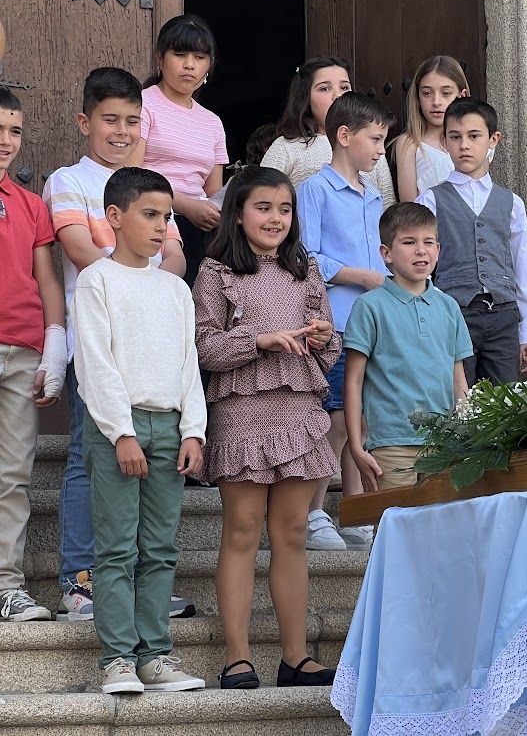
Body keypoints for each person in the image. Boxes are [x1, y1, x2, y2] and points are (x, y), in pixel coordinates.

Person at [42, 67, 194, 623]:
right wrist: (140, 276)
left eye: (132, 121)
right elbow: (82, 252)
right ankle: (80, 581)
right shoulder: (68, 181)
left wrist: (150, 278)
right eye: (111, 120)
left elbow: (177, 259)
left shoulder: (150, 187)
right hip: (97, 343)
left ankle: (138, 585)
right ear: (86, 123)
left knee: (146, 465)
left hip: (152, 351)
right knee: (89, 456)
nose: (122, 131)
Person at [192, 166, 341, 690]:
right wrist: (259, 340)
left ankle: (296, 658)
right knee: (241, 530)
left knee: (293, 532)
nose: (276, 218)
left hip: (298, 410)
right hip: (242, 410)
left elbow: (329, 351)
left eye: (284, 209)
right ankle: (237, 657)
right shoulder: (215, 272)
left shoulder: (307, 269)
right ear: (237, 213)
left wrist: (323, 337)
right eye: (263, 208)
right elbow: (205, 347)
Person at [71, 167, 207, 694]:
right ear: (114, 216)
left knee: (160, 548)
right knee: (115, 549)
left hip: (170, 426)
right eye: (150, 214)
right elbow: (95, 362)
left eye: (167, 217)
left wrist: (193, 431)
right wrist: (121, 433)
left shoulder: (174, 289)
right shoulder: (97, 280)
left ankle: (155, 655)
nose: (161, 227)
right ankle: (118, 659)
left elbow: (188, 364)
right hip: (119, 427)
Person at [297, 92, 392, 551]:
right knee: (335, 419)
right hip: (333, 322)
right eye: (375, 139)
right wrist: (358, 275)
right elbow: (305, 254)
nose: (380, 151)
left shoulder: (374, 195)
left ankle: (355, 510)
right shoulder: (314, 190)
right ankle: (313, 512)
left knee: (361, 421)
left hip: (372, 322)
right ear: (344, 136)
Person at [345, 203, 473, 492]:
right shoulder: (369, 306)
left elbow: (459, 380)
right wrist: (355, 446)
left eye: (428, 242)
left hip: (445, 443)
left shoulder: (449, 306)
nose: (421, 250)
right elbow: (353, 381)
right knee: (395, 518)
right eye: (409, 242)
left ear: (438, 249)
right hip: (391, 444)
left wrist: (466, 436)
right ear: (386, 253)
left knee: (444, 519)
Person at [417, 98, 527, 384]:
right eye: (455, 137)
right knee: (457, 399)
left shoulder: (512, 202)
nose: (464, 145)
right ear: (444, 142)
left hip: (503, 316)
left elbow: (524, 268)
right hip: (453, 315)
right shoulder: (431, 200)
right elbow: (421, 267)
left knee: (505, 400)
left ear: (493, 139)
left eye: (474, 136)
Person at [0, 88, 67, 622]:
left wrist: (55, 346)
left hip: (23, 350)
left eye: (15, 130)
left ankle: (6, 584)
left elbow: (47, 281)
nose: (7, 140)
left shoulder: (31, 203)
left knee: (13, 475)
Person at [129, 14, 226, 285]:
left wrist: (212, 210)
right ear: (160, 59)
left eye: (199, 57)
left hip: (201, 229)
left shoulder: (212, 122)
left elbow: (213, 191)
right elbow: (133, 173)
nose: (189, 64)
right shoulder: (142, 104)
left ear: (209, 65)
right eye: (180, 54)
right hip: (152, 218)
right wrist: (187, 206)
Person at [259, 57, 396, 205]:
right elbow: (260, 197)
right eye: (325, 88)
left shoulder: (371, 146)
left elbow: (387, 205)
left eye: (344, 87)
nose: (338, 95)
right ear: (305, 98)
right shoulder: (286, 147)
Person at [389, 55, 468, 202]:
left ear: (461, 96)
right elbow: (409, 205)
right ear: (417, 97)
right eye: (427, 93)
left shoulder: (477, 140)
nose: (436, 102)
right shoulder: (409, 143)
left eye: (446, 93)